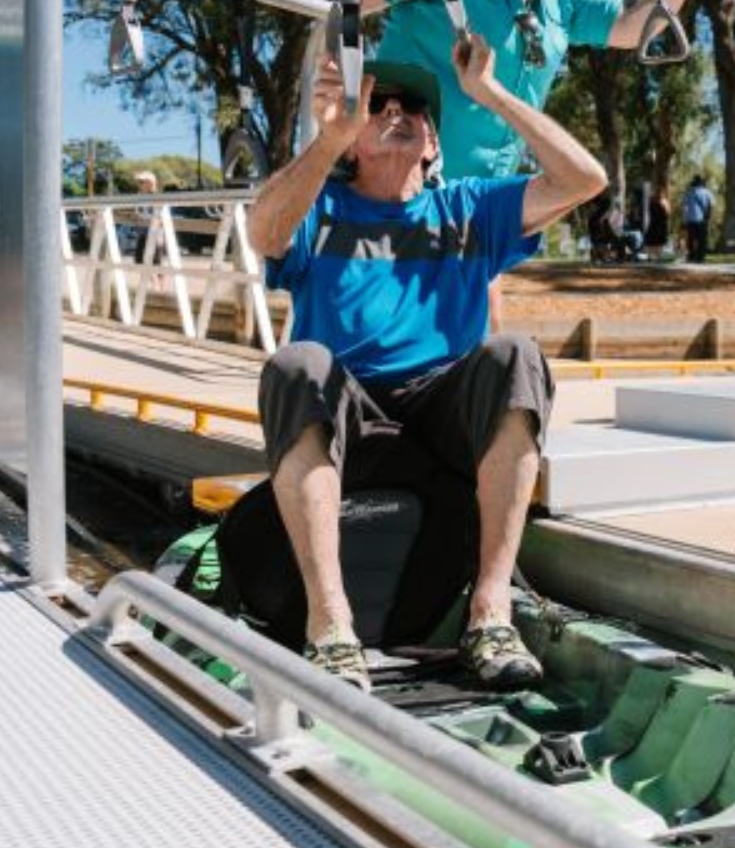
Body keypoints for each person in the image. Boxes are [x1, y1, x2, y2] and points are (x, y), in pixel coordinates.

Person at [247, 40, 606, 690]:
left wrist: (492, 96)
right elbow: (264, 232)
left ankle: (489, 616)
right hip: (346, 412)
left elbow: (586, 180)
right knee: (297, 363)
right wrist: (326, 141)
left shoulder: (467, 209)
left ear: (434, 143)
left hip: (440, 414)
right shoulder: (320, 208)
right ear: (353, 141)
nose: (396, 111)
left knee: (514, 354)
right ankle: (330, 629)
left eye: (413, 105)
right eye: (375, 105)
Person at [359, 0, 733, 329]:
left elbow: (630, 27)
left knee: (481, 323)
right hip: (400, 179)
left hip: (479, 195)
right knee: (390, 316)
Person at [682, 176, 715, 263]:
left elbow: (685, 207)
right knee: (702, 239)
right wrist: (708, 217)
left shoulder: (689, 192)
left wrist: (684, 219)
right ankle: (701, 257)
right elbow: (711, 205)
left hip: (691, 219)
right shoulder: (707, 192)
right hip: (702, 220)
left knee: (691, 238)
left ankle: (691, 256)